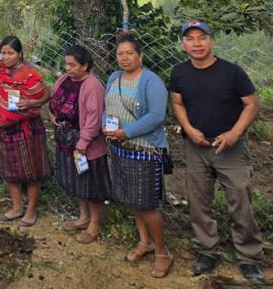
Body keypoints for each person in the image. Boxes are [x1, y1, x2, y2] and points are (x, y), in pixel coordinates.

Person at [169, 21, 265, 283]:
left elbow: (252, 104)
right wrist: (188, 129)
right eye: (190, 39)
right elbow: (177, 102)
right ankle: (207, 251)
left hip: (230, 148)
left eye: (202, 38)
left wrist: (235, 133)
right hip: (196, 147)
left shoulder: (232, 73)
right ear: (183, 44)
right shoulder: (179, 73)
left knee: (240, 201)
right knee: (198, 201)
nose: (197, 43)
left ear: (211, 41)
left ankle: (249, 258)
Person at [104, 33, 172, 278]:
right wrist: (107, 127)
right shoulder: (114, 77)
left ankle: (162, 251)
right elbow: (107, 107)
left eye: (129, 53)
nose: (124, 58)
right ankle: (144, 242)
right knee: (133, 199)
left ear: (140, 56)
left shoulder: (150, 81)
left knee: (147, 204)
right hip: (120, 149)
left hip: (145, 150)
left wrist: (126, 132)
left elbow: (156, 116)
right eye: (120, 54)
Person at [0, 36, 50, 226]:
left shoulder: (29, 74)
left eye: (10, 53)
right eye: (3, 53)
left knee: (32, 170)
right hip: (5, 129)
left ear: (20, 53)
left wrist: (31, 102)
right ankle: (16, 207)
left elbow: (45, 94)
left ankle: (31, 209)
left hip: (28, 129)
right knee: (10, 169)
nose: (6, 57)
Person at [49, 45, 110, 244]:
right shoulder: (64, 80)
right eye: (66, 64)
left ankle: (94, 223)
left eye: (73, 65)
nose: (68, 68)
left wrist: (83, 144)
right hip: (66, 140)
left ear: (85, 66)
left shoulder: (93, 86)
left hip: (86, 144)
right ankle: (83, 217)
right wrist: (53, 116)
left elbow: (93, 118)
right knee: (77, 180)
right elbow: (54, 100)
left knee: (90, 184)